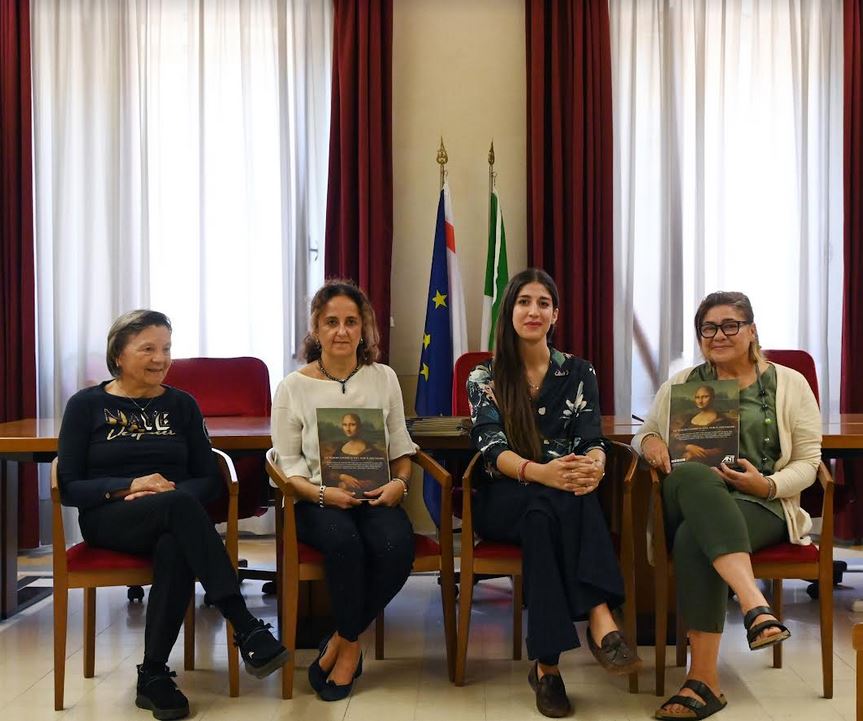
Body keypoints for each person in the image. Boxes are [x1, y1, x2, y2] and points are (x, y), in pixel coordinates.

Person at [58, 310, 289, 721]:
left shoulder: (182, 404)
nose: (160, 358)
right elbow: (71, 487)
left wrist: (168, 492)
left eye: (166, 348)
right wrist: (131, 486)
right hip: (111, 519)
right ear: (118, 353)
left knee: (175, 542)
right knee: (181, 509)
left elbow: (210, 480)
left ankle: (153, 675)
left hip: (172, 514)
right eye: (147, 348)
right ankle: (245, 624)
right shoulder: (86, 405)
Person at [633, 291, 821, 720]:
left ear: (752, 330)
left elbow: (810, 462)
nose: (718, 335)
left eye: (730, 325)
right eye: (708, 328)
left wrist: (767, 484)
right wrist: (652, 441)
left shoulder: (790, 383)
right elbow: (641, 434)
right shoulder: (682, 384)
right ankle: (754, 603)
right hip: (690, 494)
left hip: (761, 504)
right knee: (696, 473)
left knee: (691, 540)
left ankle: (703, 683)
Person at [466, 268, 641, 719]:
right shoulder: (484, 376)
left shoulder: (579, 372)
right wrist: (543, 473)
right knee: (557, 498)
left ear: (555, 314)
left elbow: (591, 442)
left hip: (558, 496)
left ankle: (547, 669)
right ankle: (601, 616)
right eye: (524, 301)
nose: (533, 310)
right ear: (510, 313)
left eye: (543, 303)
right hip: (503, 496)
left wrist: (595, 467)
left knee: (546, 515)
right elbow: (491, 447)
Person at [271, 279, 417, 702]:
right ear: (315, 329)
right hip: (316, 498)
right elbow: (286, 465)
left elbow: (401, 446)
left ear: (364, 328)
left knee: (397, 547)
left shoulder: (383, 378)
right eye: (331, 321)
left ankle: (342, 639)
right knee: (344, 543)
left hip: (375, 494)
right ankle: (351, 652)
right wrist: (321, 495)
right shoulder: (292, 387)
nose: (341, 331)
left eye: (351, 322)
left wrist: (399, 483)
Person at [669, 384, 735, 466]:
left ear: (712, 398)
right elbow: (677, 441)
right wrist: (688, 447)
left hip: (711, 467)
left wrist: (695, 454)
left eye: (705, 397)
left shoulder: (722, 421)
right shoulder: (689, 419)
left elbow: (725, 449)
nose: (700, 401)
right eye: (697, 397)